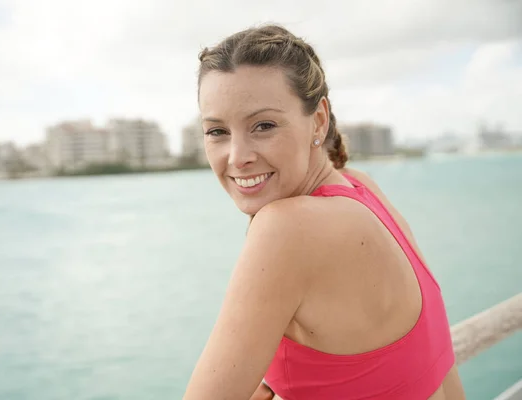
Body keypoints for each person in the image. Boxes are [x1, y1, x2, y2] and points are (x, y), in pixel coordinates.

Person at [183, 24, 466, 400]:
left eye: (263, 125)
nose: (237, 157)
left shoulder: (286, 229)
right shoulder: (363, 190)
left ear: (318, 120)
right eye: (216, 131)